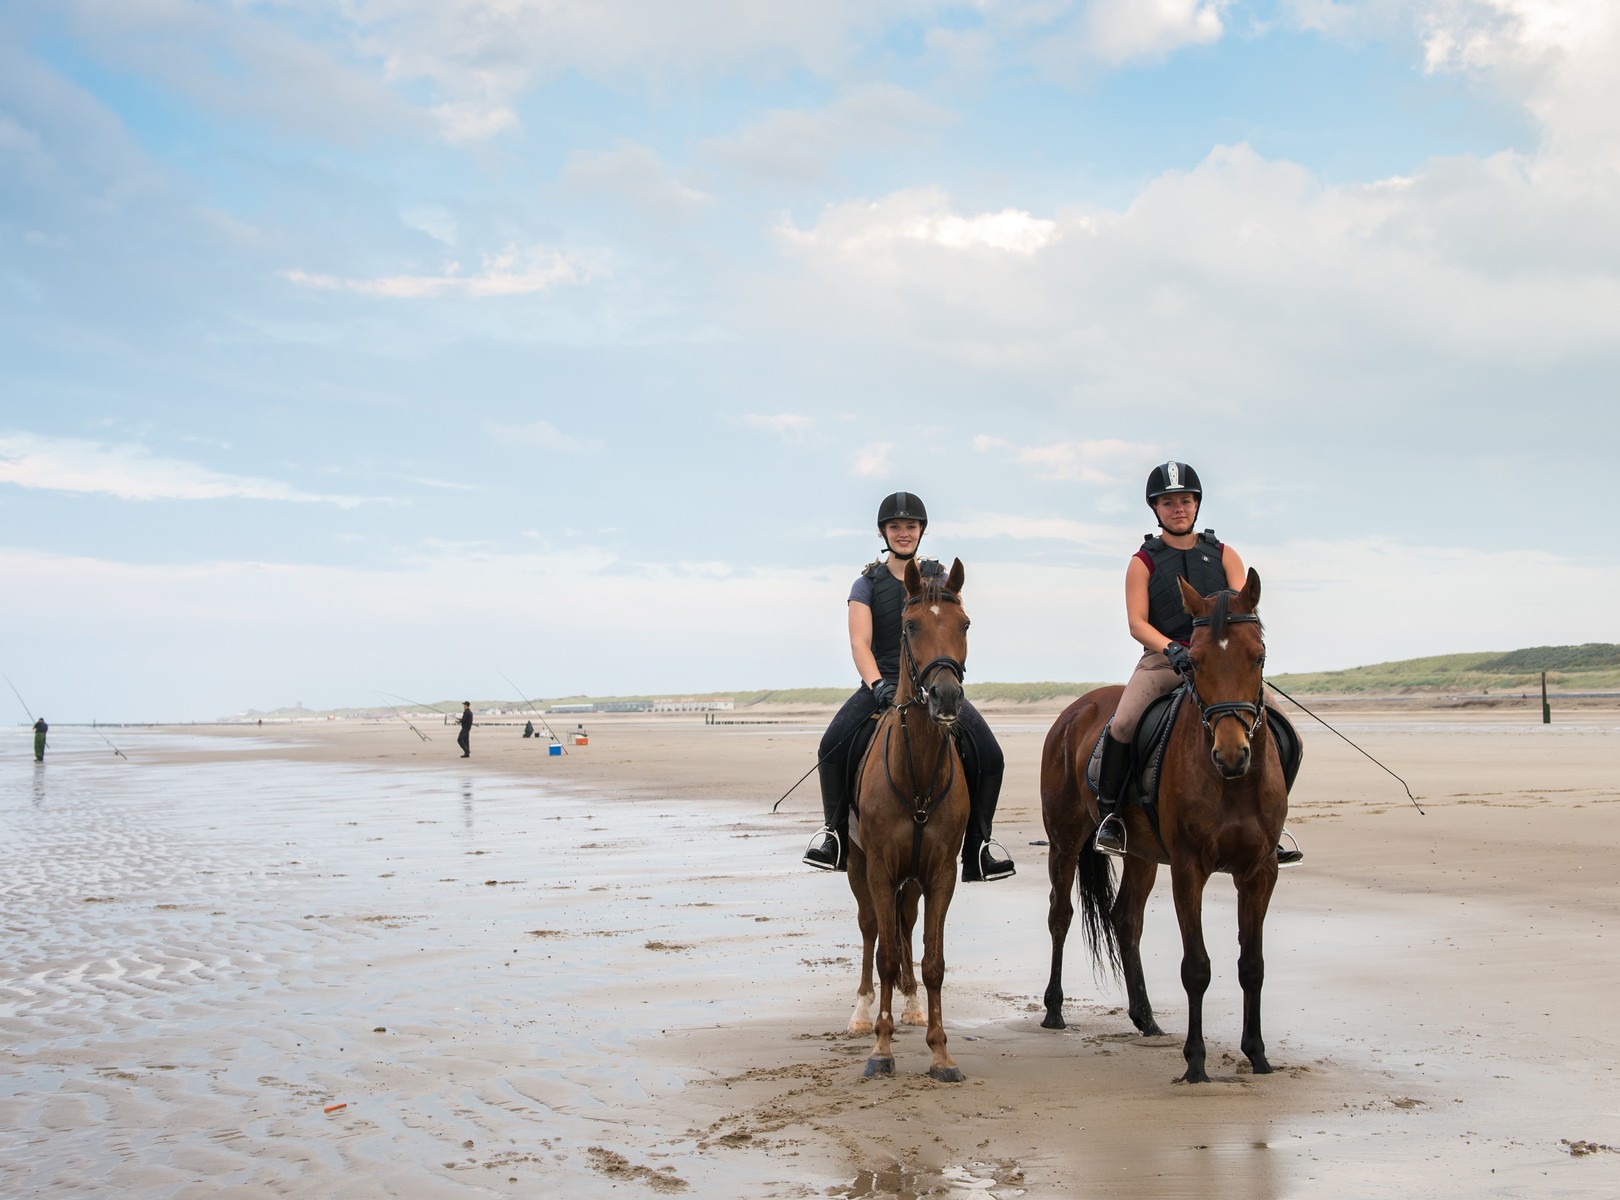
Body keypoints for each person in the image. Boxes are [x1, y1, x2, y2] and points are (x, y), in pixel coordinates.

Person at [1093, 462, 1302, 865]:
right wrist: (1171, 648)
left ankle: (1270, 823)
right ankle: (1112, 817)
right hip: (1163, 661)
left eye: (1185, 501)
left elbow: (1242, 609)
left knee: (1288, 733)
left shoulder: (1225, 554)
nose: (1178, 509)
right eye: (1169, 503)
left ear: (1197, 504)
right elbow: (1137, 622)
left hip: (1221, 665)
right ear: (1156, 509)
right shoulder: (1143, 561)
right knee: (1122, 724)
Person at [801, 491, 1015, 882]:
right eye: (896, 526)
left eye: (910, 526)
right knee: (830, 747)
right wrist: (878, 685)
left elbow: (950, 626)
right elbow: (859, 643)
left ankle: (979, 847)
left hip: (934, 683)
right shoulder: (867, 583)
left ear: (921, 531)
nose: (903, 533)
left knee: (990, 754)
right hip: (881, 684)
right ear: (884, 532)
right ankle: (832, 834)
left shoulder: (941, 577)